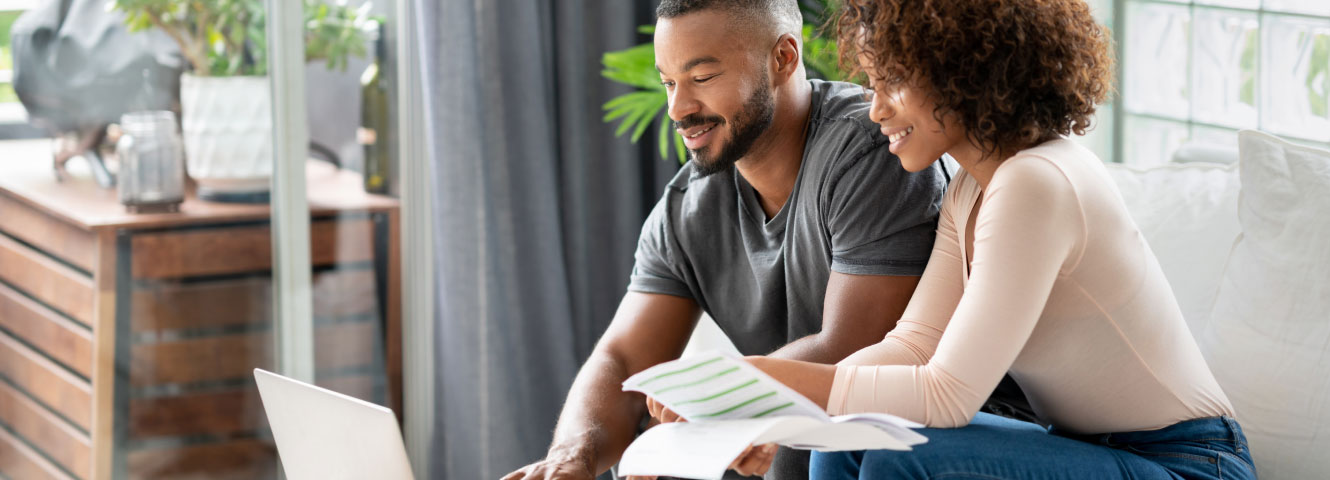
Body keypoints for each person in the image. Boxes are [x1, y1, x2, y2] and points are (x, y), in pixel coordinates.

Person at [701, 0, 1258, 478]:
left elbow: (947, 395)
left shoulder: (1035, 182)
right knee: (847, 431)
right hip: (1093, 449)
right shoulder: (973, 185)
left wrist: (768, 381)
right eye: (872, 85)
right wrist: (787, 409)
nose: (876, 111)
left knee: (900, 461)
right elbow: (913, 347)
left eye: (891, 81)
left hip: (1188, 463)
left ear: (961, 68)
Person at [503, 1, 1036, 479]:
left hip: (939, 444)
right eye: (669, 83)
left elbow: (852, 349)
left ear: (784, 57)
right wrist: (571, 458)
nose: (677, 108)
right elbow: (622, 360)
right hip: (811, 445)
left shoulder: (874, 152)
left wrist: (724, 400)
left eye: (703, 76)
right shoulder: (687, 207)